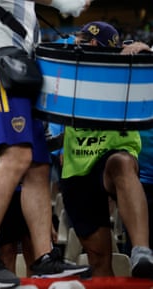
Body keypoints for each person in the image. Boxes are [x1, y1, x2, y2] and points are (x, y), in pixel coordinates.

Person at [0, 0, 92, 288]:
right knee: (16, 157)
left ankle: (44, 257)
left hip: (18, 64)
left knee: (37, 165)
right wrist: (64, 2)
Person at [60, 21, 153, 278]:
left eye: (82, 40)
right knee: (99, 260)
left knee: (121, 164)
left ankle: (141, 250)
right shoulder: (66, 67)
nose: (77, 43)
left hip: (113, 153)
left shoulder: (130, 68)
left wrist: (147, 52)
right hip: (77, 168)